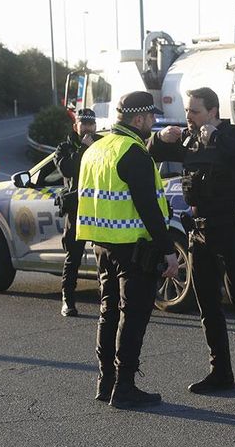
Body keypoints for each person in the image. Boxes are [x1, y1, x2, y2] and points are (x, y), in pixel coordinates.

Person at [149, 87, 235, 399]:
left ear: (213, 112)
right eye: (187, 111)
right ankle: (221, 373)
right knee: (208, 305)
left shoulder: (234, 134)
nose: (188, 117)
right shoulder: (187, 139)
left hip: (231, 229)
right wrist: (161, 139)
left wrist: (215, 136)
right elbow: (151, 152)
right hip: (199, 232)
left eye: (194, 111)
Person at [76, 91, 179, 409]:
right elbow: (148, 207)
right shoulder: (133, 152)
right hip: (135, 249)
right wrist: (168, 250)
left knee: (108, 313)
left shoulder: (97, 148)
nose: (153, 122)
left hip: (102, 245)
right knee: (132, 318)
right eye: (150, 118)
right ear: (138, 119)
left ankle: (105, 382)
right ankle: (125, 388)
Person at [54, 108, 101, 317]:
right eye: (84, 124)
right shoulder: (64, 147)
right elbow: (67, 169)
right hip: (77, 209)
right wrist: (83, 148)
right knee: (73, 256)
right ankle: (68, 299)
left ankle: (107, 300)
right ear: (76, 126)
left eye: (91, 124)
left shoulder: (101, 144)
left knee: (104, 257)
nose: (88, 128)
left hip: (100, 208)